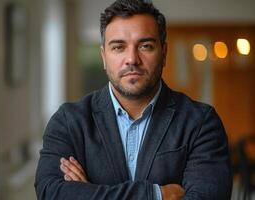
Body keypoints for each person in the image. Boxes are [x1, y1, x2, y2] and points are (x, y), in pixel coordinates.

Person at [35, 0, 232, 199]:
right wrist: (156, 194)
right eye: (118, 47)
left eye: (145, 46)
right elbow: (51, 192)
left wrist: (88, 192)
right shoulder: (69, 121)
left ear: (164, 54)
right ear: (104, 56)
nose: (132, 59)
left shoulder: (200, 122)